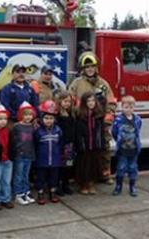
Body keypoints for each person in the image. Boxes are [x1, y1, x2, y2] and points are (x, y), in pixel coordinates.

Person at [69, 51, 117, 184]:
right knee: (84, 151)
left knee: (104, 148)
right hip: (83, 123)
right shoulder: (76, 84)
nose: (90, 69)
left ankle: (105, 174)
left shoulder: (103, 84)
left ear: (96, 68)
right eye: (87, 67)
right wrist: (77, 114)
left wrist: (108, 116)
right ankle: (85, 177)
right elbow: (70, 101)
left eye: (92, 66)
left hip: (100, 123)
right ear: (83, 69)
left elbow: (111, 102)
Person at [75, 91, 105, 195]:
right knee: (84, 166)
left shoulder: (98, 115)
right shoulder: (80, 115)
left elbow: (101, 131)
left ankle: (91, 183)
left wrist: (101, 143)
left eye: (93, 100)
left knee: (94, 165)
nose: (91, 103)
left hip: (95, 145)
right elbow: (78, 132)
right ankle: (84, 184)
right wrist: (80, 144)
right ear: (84, 102)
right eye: (88, 101)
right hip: (84, 146)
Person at [112, 95, 142, 197]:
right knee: (121, 167)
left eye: (131, 107)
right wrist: (119, 141)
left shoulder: (137, 119)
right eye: (126, 107)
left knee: (133, 168)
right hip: (122, 150)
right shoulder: (119, 120)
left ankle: (132, 187)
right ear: (122, 107)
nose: (128, 109)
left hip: (133, 149)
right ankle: (118, 186)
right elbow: (114, 132)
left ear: (134, 107)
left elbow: (138, 131)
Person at [34, 100, 62, 205]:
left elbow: (60, 143)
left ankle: (52, 192)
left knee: (54, 177)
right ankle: (40, 193)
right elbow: (35, 144)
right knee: (40, 177)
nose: (49, 121)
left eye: (51, 118)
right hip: (42, 160)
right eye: (46, 118)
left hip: (55, 160)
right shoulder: (38, 131)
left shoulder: (58, 130)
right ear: (41, 118)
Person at [10, 101, 37, 205]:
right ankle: (18, 193)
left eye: (30, 114)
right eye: (25, 114)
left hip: (29, 154)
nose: (28, 117)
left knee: (26, 175)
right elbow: (13, 141)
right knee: (18, 175)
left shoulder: (32, 127)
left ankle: (26, 191)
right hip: (19, 155)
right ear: (21, 115)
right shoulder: (17, 127)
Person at [55, 91, 76, 196]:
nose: (67, 103)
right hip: (61, 145)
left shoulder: (71, 114)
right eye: (65, 101)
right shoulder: (57, 115)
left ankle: (66, 184)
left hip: (70, 145)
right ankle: (58, 185)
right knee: (60, 166)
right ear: (59, 102)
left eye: (69, 101)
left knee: (68, 166)